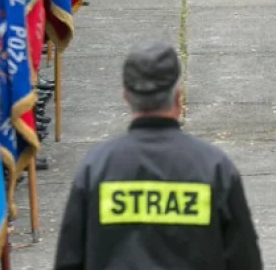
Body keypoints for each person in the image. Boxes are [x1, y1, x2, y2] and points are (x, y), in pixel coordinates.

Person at [54, 41, 263, 269]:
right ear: (178, 97)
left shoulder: (95, 168)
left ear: (125, 96)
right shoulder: (215, 168)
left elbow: (69, 260)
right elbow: (245, 260)